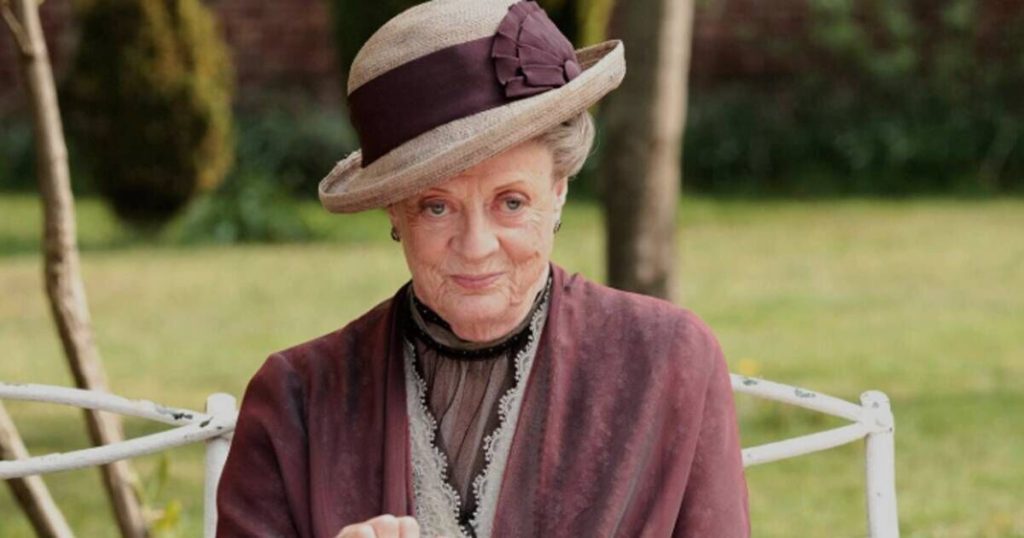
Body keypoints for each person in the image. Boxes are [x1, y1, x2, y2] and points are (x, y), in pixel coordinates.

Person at [216, 0, 750, 536]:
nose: (475, 247)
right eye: (436, 207)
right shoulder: (297, 403)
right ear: (395, 211)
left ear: (558, 191)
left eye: (511, 202)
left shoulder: (668, 363)